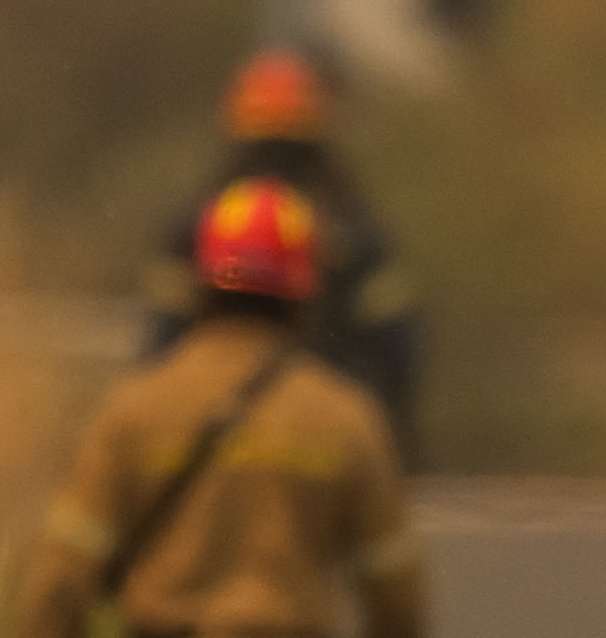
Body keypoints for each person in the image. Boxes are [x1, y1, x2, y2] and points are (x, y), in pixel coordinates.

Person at [9, 170, 426, 638]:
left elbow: (61, 579)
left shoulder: (136, 411)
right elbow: (399, 604)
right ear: (305, 292)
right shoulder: (345, 420)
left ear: (200, 281)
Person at [152, 41, 425, 451]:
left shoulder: (198, 224)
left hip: (211, 433)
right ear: (318, 127)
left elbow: (161, 342)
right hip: (329, 439)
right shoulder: (352, 225)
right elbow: (396, 353)